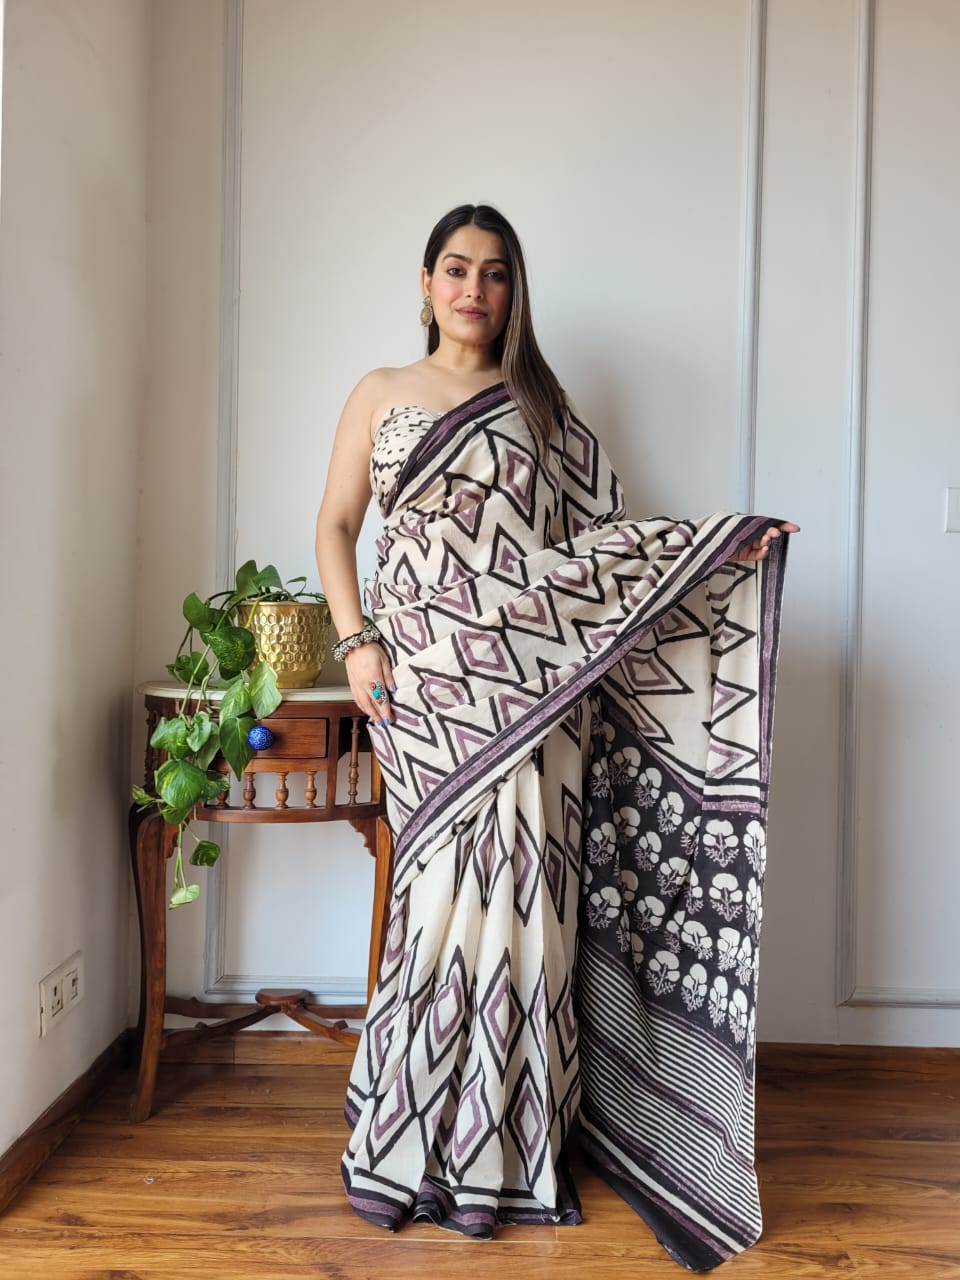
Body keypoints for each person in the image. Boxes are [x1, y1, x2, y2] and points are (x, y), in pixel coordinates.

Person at [315, 204, 798, 1271]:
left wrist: (723, 546)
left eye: (494, 273)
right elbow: (336, 525)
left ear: (512, 291)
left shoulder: (541, 409)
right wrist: (356, 641)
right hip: (425, 688)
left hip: (532, 702)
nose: (473, 289)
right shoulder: (381, 391)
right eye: (455, 268)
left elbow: (607, 548)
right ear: (426, 282)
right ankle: (409, 1131)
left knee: (523, 906)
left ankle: (503, 1148)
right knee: (436, 906)